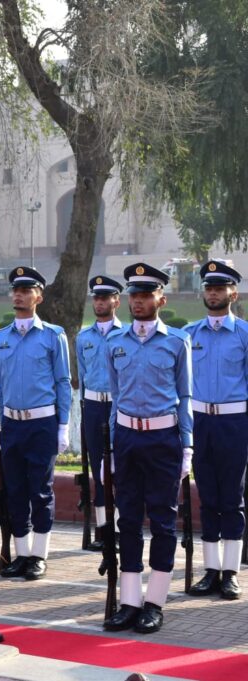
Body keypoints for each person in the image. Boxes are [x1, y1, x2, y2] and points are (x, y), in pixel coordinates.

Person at [104, 263, 193, 634]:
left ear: (161, 298)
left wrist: (187, 446)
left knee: (161, 520)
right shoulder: (115, 343)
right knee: (127, 520)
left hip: (162, 439)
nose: (138, 302)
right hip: (126, 438)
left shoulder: (176, 342)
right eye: (134, 295)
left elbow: (186, 396)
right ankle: (128, 602)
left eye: (146, 295)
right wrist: (112, 445)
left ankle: (154, 602)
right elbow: (114, 398)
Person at [0, 266, 71, 581]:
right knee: (15, 489)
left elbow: (63, 382)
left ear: (39, 296)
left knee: (40, 490)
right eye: (16, 290)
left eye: (26, 290)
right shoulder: (0, 339)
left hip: (42, 423)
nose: (19, 294)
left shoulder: (53, 336)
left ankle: (39, 554)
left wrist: (63, 425)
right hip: (12, 424)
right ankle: (21, 554)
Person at [185, 260, 246, 600]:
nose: (213, 293)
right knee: (206, 497)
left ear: (232, 293)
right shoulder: (189, 335)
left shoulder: (245, 334)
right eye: (209, 288)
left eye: (219, 288)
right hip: (200, 421)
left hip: (234, 421)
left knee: (232, 498)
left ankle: (231, 572)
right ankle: (210, 571)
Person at [76, 275, 126, 551]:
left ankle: (118, 529)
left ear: (116, 301)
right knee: (98, 469)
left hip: (118, 406)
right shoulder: (83, 337)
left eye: (105, 297)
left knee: (120, 469)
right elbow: (82, 377)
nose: (100, 302)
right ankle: (102, 529)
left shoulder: (127, 334)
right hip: (93, 406)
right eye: (96, 297)